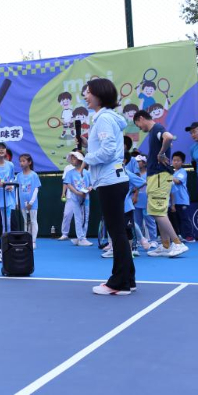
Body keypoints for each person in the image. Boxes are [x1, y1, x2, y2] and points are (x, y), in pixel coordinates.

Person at [82, 78, 135, 295]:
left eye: (88, 92)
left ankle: (118, 282)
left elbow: (108, 151)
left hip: (110, 181)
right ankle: (128, 280)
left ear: (99, 94)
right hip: (113, 179)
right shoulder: (106, 118)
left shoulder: (103, 118)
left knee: (117, 232)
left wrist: (87, 158)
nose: (85, 96)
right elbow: (107, 148)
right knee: (118, 231)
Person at [133, 110, 188, 258]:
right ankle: (165, 245)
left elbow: (168, 137)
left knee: (157, 211)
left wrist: (161, 153)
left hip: (159, 176)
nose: (139, 128)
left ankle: (178, 243)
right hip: (155, 177)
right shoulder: (154, 132)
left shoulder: (157, 128)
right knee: (156, 212)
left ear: (141, 118)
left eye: (138, 124)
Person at [63, 151, 93, 246]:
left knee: (85, 217)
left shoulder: (87, 173)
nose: (72, 160)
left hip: (86, 198)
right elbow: (68, 184)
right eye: (71, 158)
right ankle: (81, 238)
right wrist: (77, 192)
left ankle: (82, 237)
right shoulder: (69, 173)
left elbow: (91, 184)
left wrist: (88, 189)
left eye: (74, 158)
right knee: (78, 217)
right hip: (75, 198)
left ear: (80, 160)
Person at [15, 153, 40, 249]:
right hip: (22, 203)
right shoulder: (18, 176)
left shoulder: (34, 175)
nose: (21, 163)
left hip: (32, 204)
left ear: (29, 162)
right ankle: (26, 239)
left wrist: (31, 202)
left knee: (33, 221)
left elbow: (36, 189)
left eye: (23, 161)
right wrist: (17, 202)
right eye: (20, 161)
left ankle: (33, 241)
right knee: (26, 221)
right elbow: (16, 189)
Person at [132, 156, 158, 247]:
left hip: (147, 202)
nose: (136, 163)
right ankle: (140, 240)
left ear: (144, 163)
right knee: (137, 222)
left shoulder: (149, 174)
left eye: (138, 161)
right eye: (135, 162)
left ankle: (153, 240)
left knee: (150, 221)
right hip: (136, 202)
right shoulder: (134, 174)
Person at [170, 151, 194, 242]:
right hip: (173, 201)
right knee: (176, 220)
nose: (175, 162)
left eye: (178, 160)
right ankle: (179, 236)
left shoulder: (182, 172)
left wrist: (167, 176)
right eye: (174, 160)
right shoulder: (172, 173)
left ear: (182, 162)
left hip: (182, 200)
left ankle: (190, 236)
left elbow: (177, 181)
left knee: (184, 218)